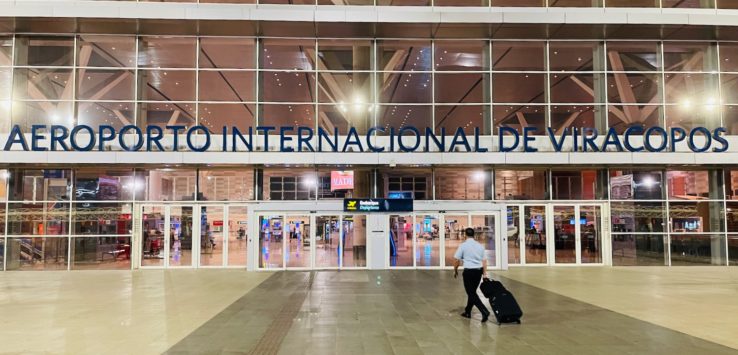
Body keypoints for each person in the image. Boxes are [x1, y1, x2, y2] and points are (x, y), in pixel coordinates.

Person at [453, 227, 490, 323]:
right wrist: (484, 275)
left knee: (471, 293)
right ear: (473, 234)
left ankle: (484, 311)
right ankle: (468, 312)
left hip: (469, 272)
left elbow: (457, 259)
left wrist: (455, 270)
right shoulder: (480, 246)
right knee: (472, 292)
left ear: (465, 234)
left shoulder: (463, 246)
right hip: (478, 272)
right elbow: (484, 261)